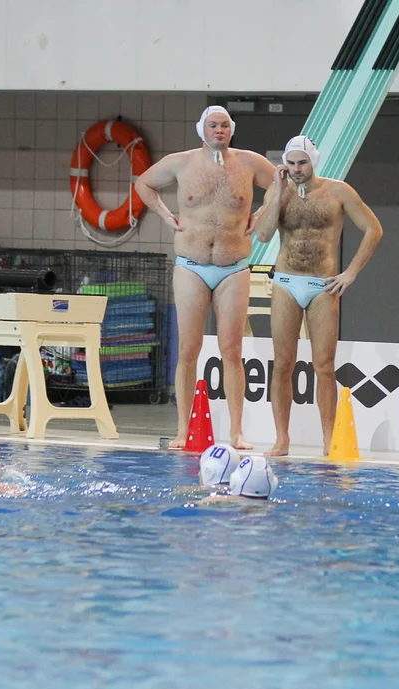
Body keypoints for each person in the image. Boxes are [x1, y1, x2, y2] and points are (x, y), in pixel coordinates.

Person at [135, 106, 276, 451]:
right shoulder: (181, 162)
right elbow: (144, 183)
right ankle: (184, 431)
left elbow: (279, 183)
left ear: (232, 129)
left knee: (232, 349)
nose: (219, 130)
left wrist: (260, 212)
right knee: (188, 349)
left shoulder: (249, 162)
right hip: (191, 265)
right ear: (202, 129)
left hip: (234, 266)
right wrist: (166, 215)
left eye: (225, 125)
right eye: (213, 125)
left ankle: (237, 433)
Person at [251, 136, 383, 457]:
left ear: (314, 162)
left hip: (322, 286)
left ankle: (328, 440)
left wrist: (350, 273)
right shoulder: (277, 191)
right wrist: (278, 192)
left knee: (324, 365)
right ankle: (282, 440)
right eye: (292, 163)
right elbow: (264, 234)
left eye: (303, 163)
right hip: (285, 282)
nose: (296, 169)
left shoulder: (338, 191)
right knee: (282, 364)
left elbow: (374, 229)